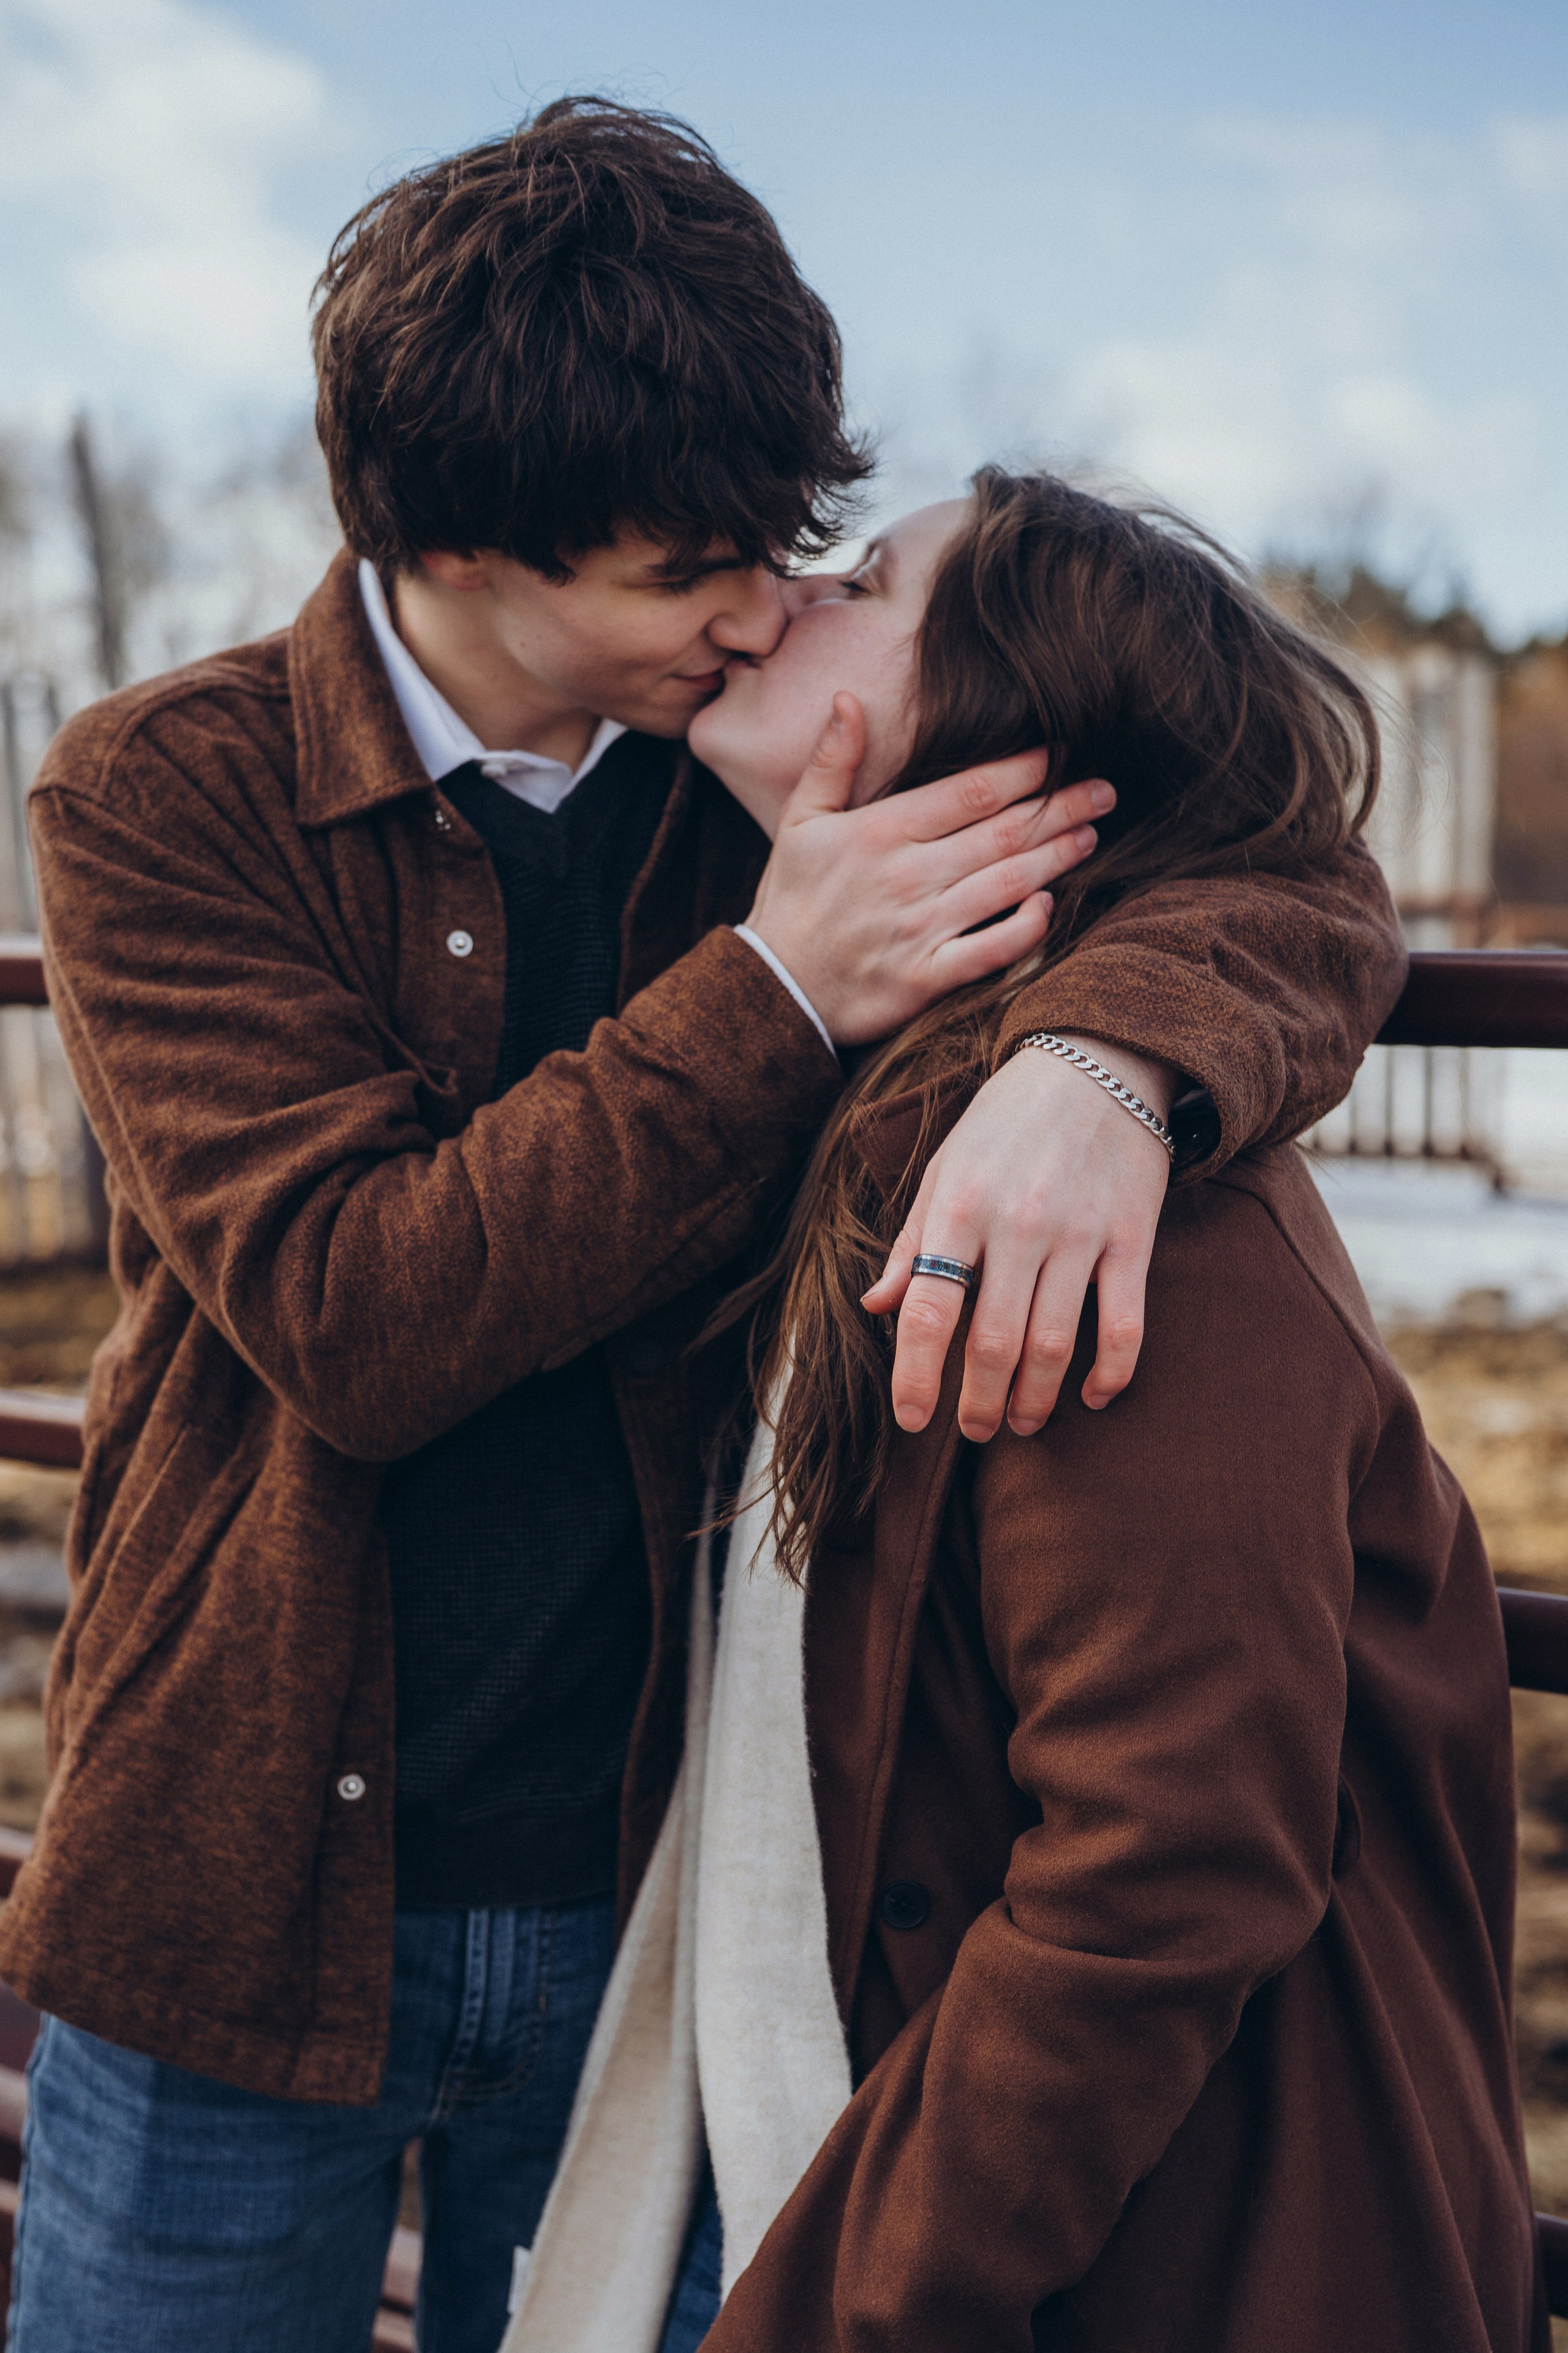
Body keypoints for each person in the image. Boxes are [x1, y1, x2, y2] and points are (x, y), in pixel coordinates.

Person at [1, 105, 1405, 2353]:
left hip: (649, 1901)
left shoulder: (754, 747)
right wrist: (775, 994)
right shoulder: (169, 794)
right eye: (690, 572)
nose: (760, 608)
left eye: (785, 544)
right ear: (458, 541)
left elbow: (1277, 851)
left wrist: (1107, 1063)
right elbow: (357, 1315)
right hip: (237, 1899)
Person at [505, 474, 1536, 2353]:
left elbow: (1165, 1866)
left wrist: (836, 2312)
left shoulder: (1104, 1229)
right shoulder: (872, 1076)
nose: (787, 591)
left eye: (867, 578)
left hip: (1168, 2264)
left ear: (1008, 755)